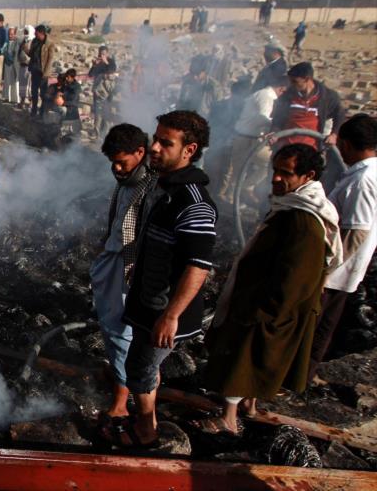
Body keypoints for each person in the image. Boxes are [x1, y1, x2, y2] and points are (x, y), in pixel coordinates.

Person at [201, 143, 341, 435]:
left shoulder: (303, 219)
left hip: (271, 305)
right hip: (265, 299)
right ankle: (249, 407)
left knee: (245, 357)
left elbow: (296, 278)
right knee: (256, 358)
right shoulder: (293, 204)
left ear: (308, 175)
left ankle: (228, 419)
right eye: (274, 170)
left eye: (285, 173)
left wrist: (266, 309)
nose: (276, 178)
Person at [110, 110, 216, 449]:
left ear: (190, 149)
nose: (153, 147)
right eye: (155, 138)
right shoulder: (166, 188)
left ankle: (146, 433)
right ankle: (146, 422)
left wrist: (171, 316)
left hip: (165, 310)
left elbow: (198, 266)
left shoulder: (194, 203)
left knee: (139, 370)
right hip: (149, 301)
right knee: (141, 367)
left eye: (165, 143)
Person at [91, 124, 158, 434]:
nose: (117, 169)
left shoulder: (153, 186)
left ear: (140, 153)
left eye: (122, 162)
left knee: (122, 331)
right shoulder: (128, 181)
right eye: (112, 163)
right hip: (114, 259)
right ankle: (124, 379)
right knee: (111, 326)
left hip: (130, 269)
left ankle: (121, 402)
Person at [309, 114, 377, 381]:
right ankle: (300, 377)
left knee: (314, 328)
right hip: (345, 270)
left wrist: (326, 270)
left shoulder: (363, 180)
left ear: (346, 145)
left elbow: (356, 231)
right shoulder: (367, 174)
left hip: (335, 272)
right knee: (322, 327)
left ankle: (294, 378)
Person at [217, 74, 287, 205]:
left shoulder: (266, 95)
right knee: (242, 169)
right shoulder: (266, 96)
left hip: (252, 137)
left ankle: (242, 190)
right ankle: (233, 197)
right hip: (246, 137)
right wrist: (278, 127)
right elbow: (263, 118)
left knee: (260, 165)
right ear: (282, 89)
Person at [270, 62, 345, 149]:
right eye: (290, 81)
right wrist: (274, 132)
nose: (291, 84)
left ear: (307, 79)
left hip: (311, 148)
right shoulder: (287, 96)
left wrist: (334, 135)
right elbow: (278, 118)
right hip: (286, 147)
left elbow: (339, 114)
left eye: (295, 81)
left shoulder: (327, 96)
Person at [27, 24, 57, 119]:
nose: (35, 35)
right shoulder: (35, 41)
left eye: (37, 33)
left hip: (43, 72)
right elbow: (31, 54)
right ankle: (34, 110)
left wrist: (45, 73)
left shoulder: (49, 44)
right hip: (35, 70)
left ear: (42, 33)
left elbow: (50, 60)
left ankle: (42, 112)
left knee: (43, 93)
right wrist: (25, 49)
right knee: (34, 92)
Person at [89, 45, 118, 139]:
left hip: (107, 91)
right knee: (97, 113)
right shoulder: (98, 62)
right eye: (101, 54)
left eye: (104, 54)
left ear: (107, 53)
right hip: (98, 91)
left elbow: (112, 70)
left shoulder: (111, 62)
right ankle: (96, 133)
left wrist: (106, 62)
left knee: (106, 112)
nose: (102, 55)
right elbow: (90, 74)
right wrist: (94, 65)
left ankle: (106, 133)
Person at [2, 27, 20, 104]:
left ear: (15, 34)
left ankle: (14, 99)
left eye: (12, 34)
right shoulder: (6, 42)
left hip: (15, 64)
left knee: (14, 82)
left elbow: (16, 52)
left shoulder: (17, 42)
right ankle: (6, 98)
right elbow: (2, 50)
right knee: (7, 81)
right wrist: (7, 56)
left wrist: (11, 57)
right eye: (9, 34)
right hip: (7, 64)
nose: (10, 36)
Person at [18, 25, 34, 108]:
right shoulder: (23, 41)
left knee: (29, 85)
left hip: (29, 66)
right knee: (22, 84)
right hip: (22, 65)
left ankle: (31, 102)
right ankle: (22, 101)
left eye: (26, 32)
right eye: (25, 32)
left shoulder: (33, 42)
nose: (25, 34)